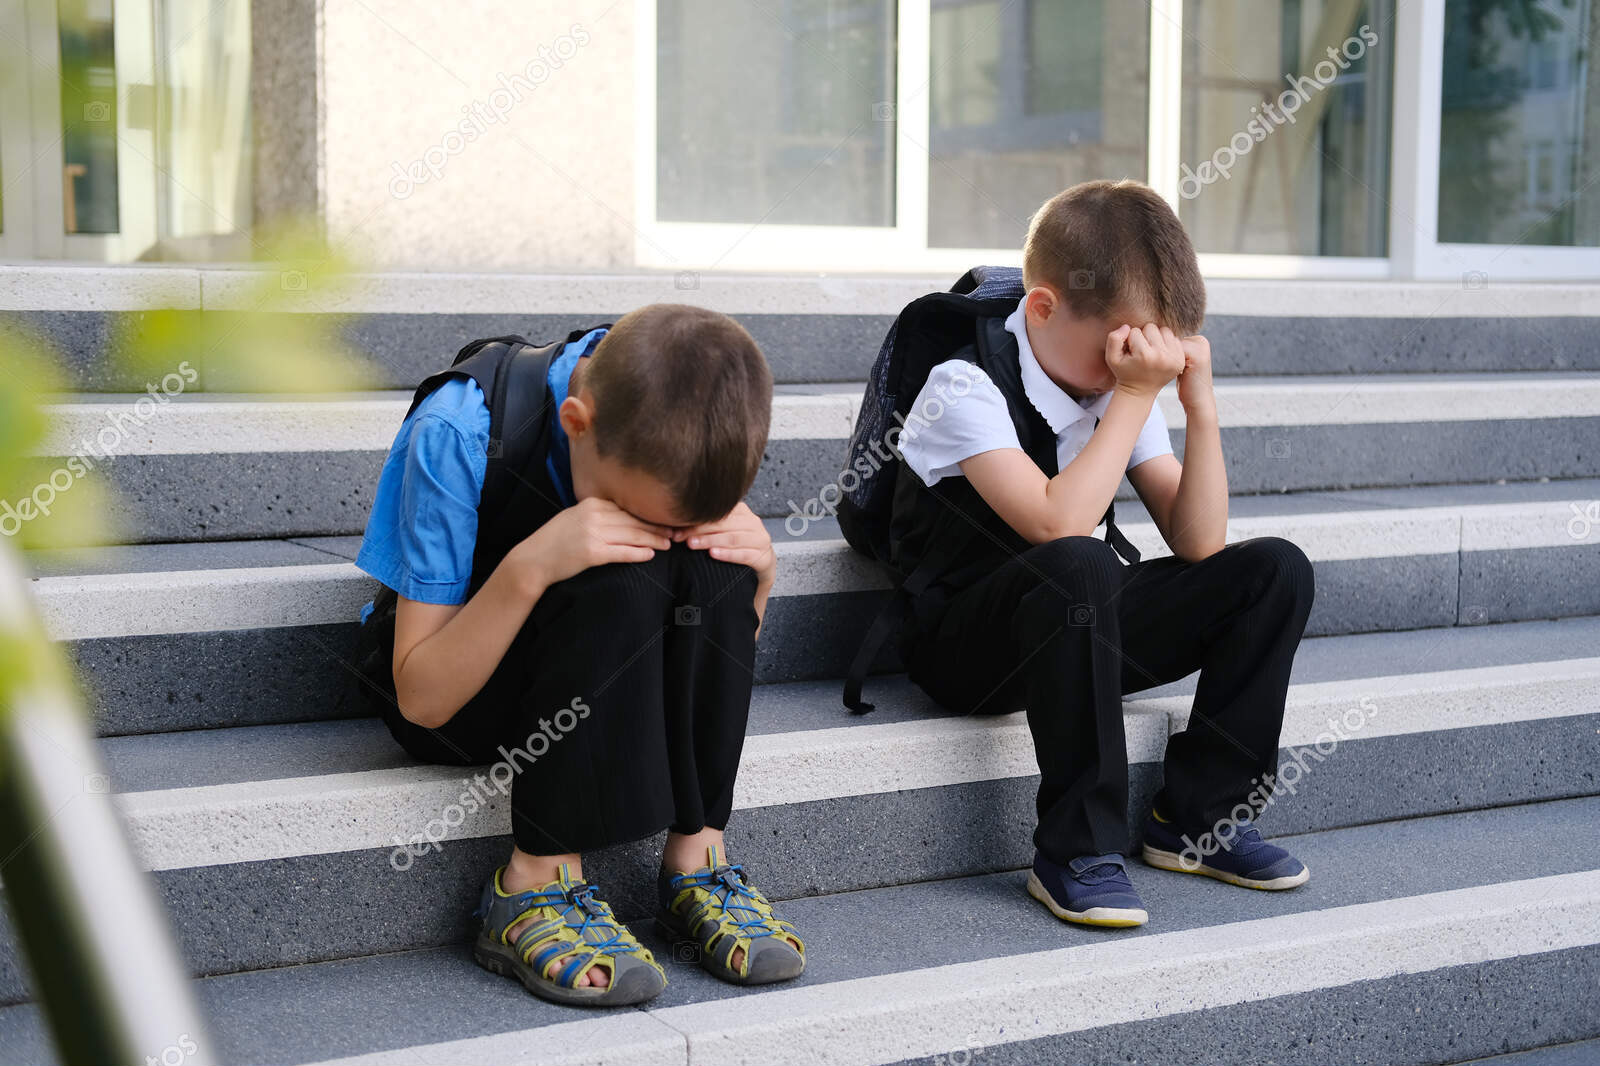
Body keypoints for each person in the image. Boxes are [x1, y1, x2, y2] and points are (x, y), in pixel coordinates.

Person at [355, 304, 805, 1005]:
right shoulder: (461, 428)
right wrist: (531, 565)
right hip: (459, 690)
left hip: (604, 686)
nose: (656, 534)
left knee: (725, 562)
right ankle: (532, 882)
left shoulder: (685, 412)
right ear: (575, 424)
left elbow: (702, 667)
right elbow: (419, 697)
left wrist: (760, 576)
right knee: (614, 574)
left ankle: (697, 857)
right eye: (642, 512)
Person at [893, 180, 1315, 927]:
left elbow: (1199, 542)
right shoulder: (961, 384)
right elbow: (1058, 523)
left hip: (1077, 629)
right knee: (1084, 560)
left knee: (1272, 570)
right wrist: (1131, 397)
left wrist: (1197, 407)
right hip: (966, 646)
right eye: (1119, 349)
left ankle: (1198, 820)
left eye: (1149, 352)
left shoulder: (1116, 392)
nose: (1134, 366)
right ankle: (1073, 850)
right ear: (1044, 308)